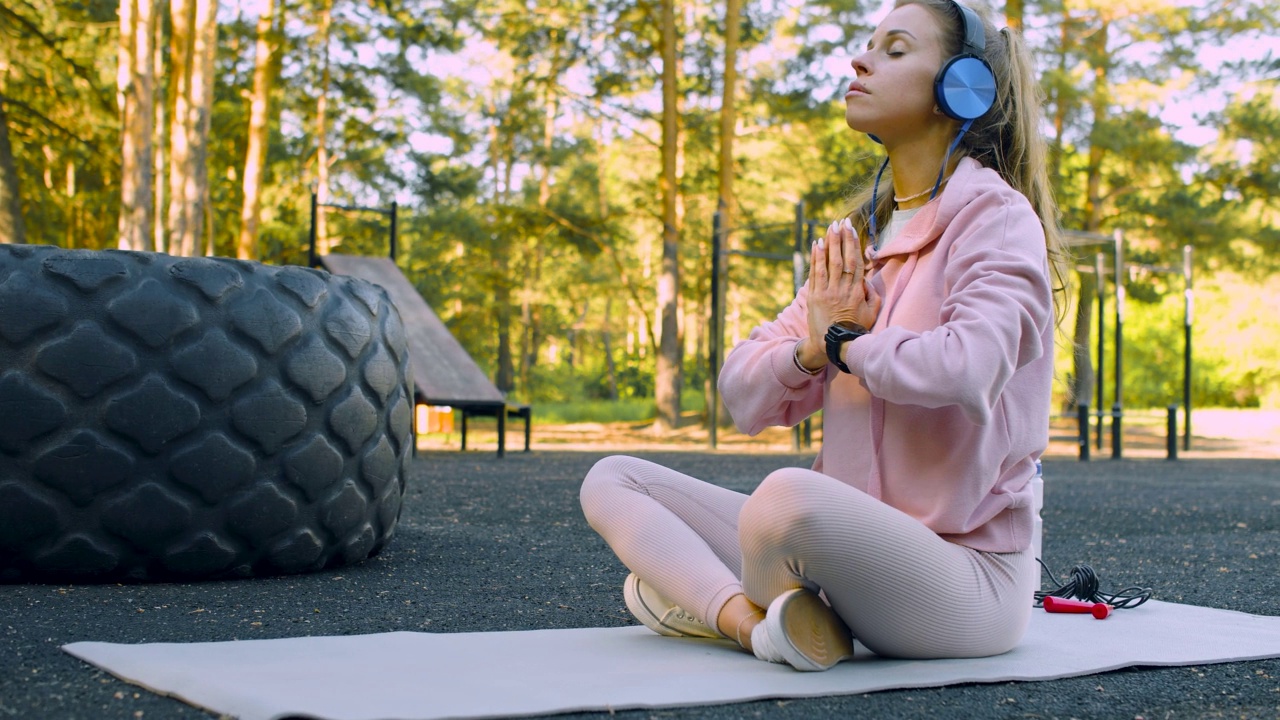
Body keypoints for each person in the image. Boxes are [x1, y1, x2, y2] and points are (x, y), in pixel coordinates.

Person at [580, 0, 1065, 671]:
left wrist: (845, 345)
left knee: (784, 499)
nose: (859, 60)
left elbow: (968, 365)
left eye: (896, 50)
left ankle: (704, 600)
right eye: (867, 45)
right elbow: (743, 396)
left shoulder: (997, 218)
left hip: (966, 581)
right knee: (614, 479)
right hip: (843, 561)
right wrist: (811, 351)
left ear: (963, 87)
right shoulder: (862, 239)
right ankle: (751, 624)